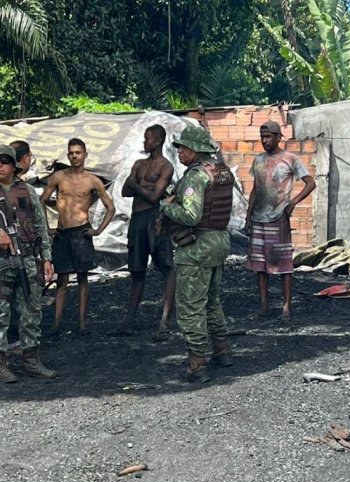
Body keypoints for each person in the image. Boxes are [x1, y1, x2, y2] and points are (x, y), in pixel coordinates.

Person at [0, 145, 56, 383]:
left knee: (31, 311)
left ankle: (31, 361)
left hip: (27, 260)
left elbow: (40, 225)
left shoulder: (27, 191)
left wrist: (46, 258)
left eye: (4, 162)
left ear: (14, 165)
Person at [160, 127, 234, 383]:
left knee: (191, 305)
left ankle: (196, 364)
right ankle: (222, 352)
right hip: (219, 241)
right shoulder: (221, 171)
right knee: (212, 301)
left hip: (197, 246)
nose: (179, 151)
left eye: (183, 147)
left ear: (196, 149)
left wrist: (166, 208)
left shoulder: (195, 177)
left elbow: (191, 215)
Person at [40, 138, 115, 336]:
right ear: (67, 155)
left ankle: (82, 323)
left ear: (85, 155)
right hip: (63, 233)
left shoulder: (92, 180)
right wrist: (48, 228)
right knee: (62, 279)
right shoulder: (58, 177)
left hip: (81, 232)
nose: (74, 156)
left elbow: (111, 208)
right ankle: (57, 323)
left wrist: (98, 231)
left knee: (83, 278)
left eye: (78, 153)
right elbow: (41, 201)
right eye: (71, 153)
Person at [244, 121, 315, 321]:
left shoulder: (290, 159)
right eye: (262, 137)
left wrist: (293, 203)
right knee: (259, 265)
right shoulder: (258, 160)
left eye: (268, 137)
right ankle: (264, 305)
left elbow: (311, 183)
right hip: (259, 218)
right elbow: (255, 189)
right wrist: (248, 216)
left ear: (278, 137)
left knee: (284, 264)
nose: (264, 141)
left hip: (278, 217)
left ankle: (286, 306)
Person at [118, 125, 176, 340]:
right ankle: (128, 321)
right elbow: (125, 190)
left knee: (166, 266)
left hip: (155, 217)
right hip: (138, 219)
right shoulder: (139, 164)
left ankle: (165, 320)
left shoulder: (166, 167)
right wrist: (138, 186)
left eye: (149, 139)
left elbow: (155, 197)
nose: (145, 142)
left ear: (158, 140)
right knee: (136, 269)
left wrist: (135, 184)